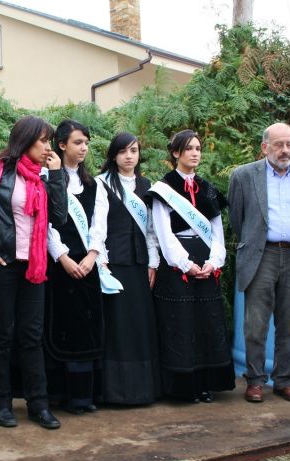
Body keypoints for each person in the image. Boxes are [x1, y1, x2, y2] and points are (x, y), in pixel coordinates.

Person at [0, 115, 67, 429]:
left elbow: (58, 218)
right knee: (2, 336)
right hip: (0, 266)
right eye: (43, 140)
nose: (48, 147)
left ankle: (38, 405)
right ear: (25, 140)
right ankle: (0, 404)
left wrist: (58, 176)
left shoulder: (44, 177)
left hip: (33, 268)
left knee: (32, 337)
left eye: (49, 141)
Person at [227, 122, 290, 404]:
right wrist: (255, 243)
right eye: (278, 144)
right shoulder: (243, 176)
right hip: (261, 254)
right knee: (256, 325)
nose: (284, 150)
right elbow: (236, 220)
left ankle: (285, 381)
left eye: (289, 144)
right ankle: (254, 380)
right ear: (264, 147)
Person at [148, 130, 235, 403]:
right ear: (176, 153)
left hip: (206, 262)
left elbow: (218, 231)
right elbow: (163, 233)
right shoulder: (164, 188)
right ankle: (183, 387)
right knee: (181, 324)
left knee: (206, 323)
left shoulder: (207, 188)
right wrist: (185, 264)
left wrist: (213, 262)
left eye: (198, 148)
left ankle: (205, 383)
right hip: (178, 264)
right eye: (189, 149)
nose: (195, 153)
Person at [44, 120, 105, 414]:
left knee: (86, 331)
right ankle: (58, 396)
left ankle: (83, 397)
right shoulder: (47, 178)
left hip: (88, 265)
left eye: (87, 143)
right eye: (78, 142)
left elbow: (99, 224)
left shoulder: (94, 184)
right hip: (59, 265)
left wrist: (91, 256)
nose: (84, 148)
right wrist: (63, 257)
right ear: (62, 144)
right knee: (60, 329)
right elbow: (47, 223)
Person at [96, 132, 160, 404]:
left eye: (134, 150)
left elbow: (152, 230)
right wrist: (100, 259)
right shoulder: (102, 184)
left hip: (139, 265)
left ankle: (143, 390)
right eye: (123, 151)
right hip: (114, 264)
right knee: (117, 326)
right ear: (113, 155)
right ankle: (114, 392)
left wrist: (153, 262)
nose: (129, 156)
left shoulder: (147, 185)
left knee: (139, 325)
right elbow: (97, 225)